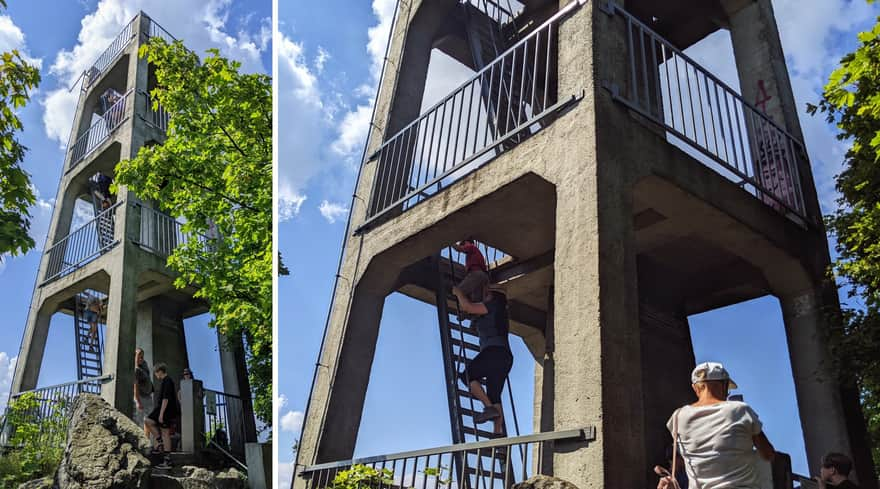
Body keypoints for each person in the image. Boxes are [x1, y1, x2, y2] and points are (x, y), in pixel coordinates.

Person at [657, 362, 775, 489]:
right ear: (724, 385)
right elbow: (768, 454)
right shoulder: (740, 410)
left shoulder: (678, 417)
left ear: (695, 388)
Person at [453, 283, 513, 436]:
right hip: (504, 356)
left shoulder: (493, 305)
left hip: (494, 351)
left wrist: (459, 293)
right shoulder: (497, 312)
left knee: (467, 376)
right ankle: (498, 434)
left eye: (487, 294)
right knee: (494, 394)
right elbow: (472, 316)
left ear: (494, 296)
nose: (485, 296)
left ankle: (489, 408)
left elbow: (468, 307)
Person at [145, 363, 179, 469]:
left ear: (160, 371)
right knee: (149, 422)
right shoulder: (166, 381)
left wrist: (161, 414)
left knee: (164, 432)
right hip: (164, 409)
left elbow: (166, 399)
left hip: (165, 410)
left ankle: (167, 461)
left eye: (155, 372)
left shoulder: (167, 381)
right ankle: (160, 444)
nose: (155, 375)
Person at [133, 348, 154, 443]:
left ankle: (147, 441)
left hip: (148, 396)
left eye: (142, 356)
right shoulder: (136, 370)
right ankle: (142, 443)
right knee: (141, 422)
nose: (141, 358)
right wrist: (137, 401)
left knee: (149, 421)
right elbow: (135, 386)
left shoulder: (144, 364)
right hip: (141, 398)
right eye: (139, 356)